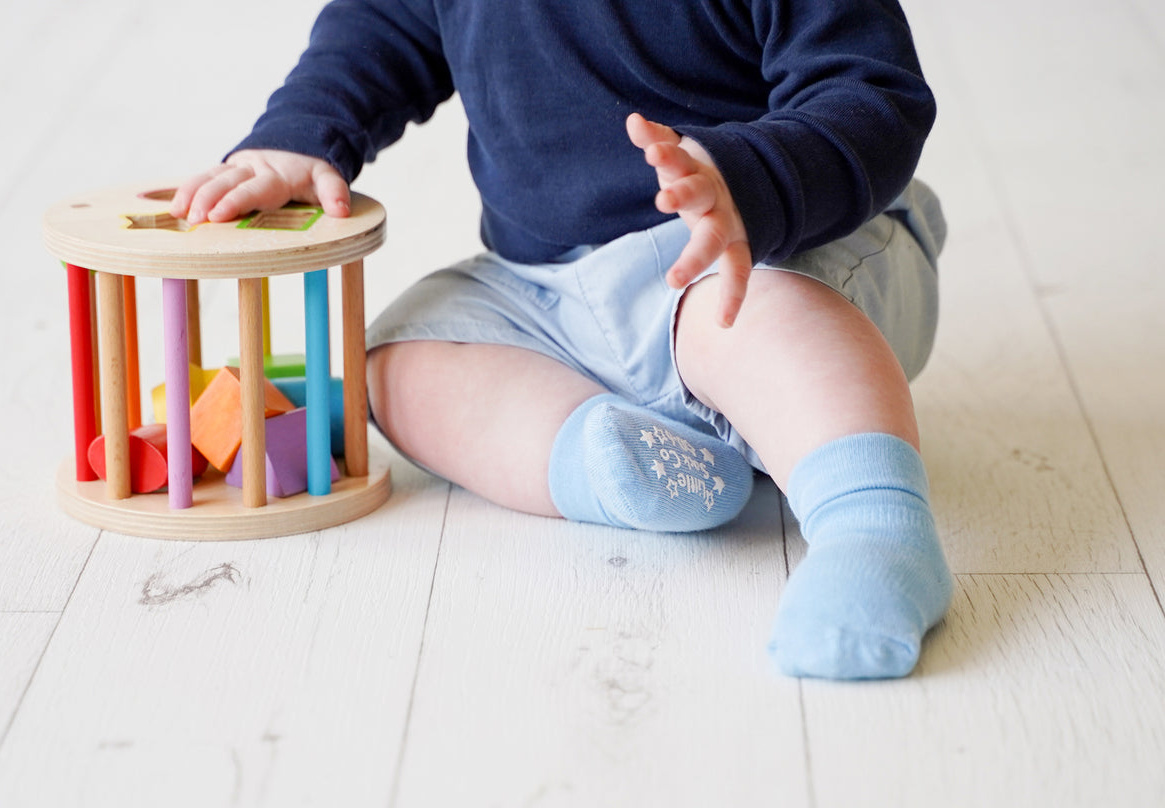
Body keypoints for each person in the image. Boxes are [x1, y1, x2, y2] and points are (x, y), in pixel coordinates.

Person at [171, 0, 953, 680]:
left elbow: (872, 93)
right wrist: (301, 134)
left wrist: (745, 180)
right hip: (548, 289)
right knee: (395, 361)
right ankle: (612, 459)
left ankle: (873, 529)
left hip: (761, 247)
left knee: (766, 320)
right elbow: (382, 27)